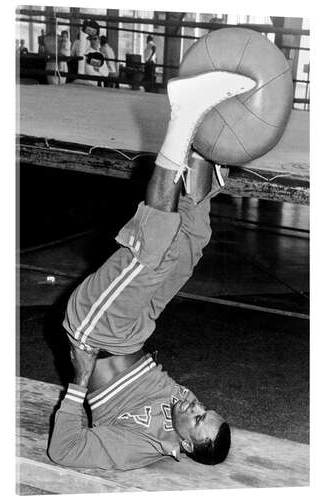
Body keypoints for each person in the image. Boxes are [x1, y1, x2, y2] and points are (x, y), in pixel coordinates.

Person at [48, 70, 256, 470]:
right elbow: (182, 404)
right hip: (137, 328)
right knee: (192, 243)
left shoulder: (140, 445)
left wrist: (77, 382)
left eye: (196, 418)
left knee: (153, 249)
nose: (195, 403)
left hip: (97, 331)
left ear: (187, 447)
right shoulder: (182, 409)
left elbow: (66, 451)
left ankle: (186, 113)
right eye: (205, 407)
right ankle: (200, 143)